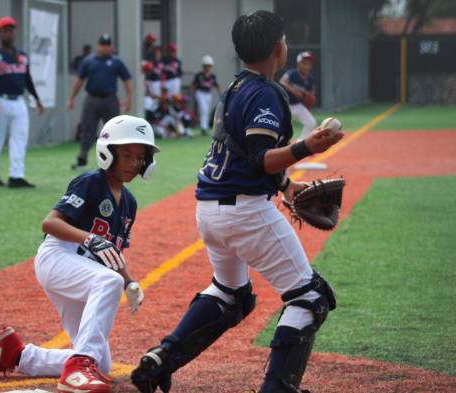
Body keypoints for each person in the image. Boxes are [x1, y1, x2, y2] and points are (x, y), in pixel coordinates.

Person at [131, 10, 343, 393]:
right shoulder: (266, 91)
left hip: (210, 210)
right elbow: (260, 157)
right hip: (244, 211)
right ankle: (277, 388)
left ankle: (161, 359)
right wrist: (307, 146)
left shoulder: (234, 87)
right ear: (279, 48)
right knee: (310, 296)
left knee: (231, 295)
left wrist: (286, 186)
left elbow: (245, 155)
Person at [0, 115, 161, 393]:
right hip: (58, 257)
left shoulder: (129, 202)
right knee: (107, 283)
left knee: (101, 364)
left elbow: (112, 253)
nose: (133, 163)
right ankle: (78, 369)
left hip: (84, 272)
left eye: (140, 157)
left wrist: (129, 280)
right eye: (126, 155)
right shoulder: (90, 182)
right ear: (107, 153)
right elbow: (50, 223)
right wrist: (90, 239)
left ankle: (16, 354)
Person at [0, 16, 44, 188]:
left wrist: (36, 99)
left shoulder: (21, 55)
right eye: (5, 30)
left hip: (19, 102)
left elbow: (27, 78)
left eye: (11, 30)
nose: (9, 33)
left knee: (19, 139)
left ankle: (16, 176)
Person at [67, 34, 132, 171]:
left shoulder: (116, 62)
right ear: (98, 45)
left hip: (110, 99)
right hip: (92, 99)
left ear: (111, 47)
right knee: (87, 129)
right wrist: (71, 98)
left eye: (108, 45)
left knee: (114, 131)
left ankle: (116, 160)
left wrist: (128, 98)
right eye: (103, 45)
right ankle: (82, 158)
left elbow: (126, 79)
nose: (105, 48)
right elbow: (79, 80)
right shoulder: (89, 61)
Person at [280, 51, 317, 140]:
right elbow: (282, 81)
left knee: (311, 123)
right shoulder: (292, 73)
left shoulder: (310, 78)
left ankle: (300, 143)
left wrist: (310, 98)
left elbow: (311, 94)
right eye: (304, 63)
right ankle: (278, 145)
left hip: (297, 105)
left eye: (309, 64)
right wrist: (295, 91)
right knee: (280, 127)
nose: (307, 66)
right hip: (285, 105)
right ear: (299, 63)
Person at [191, 55, 221, 135]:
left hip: (208, 94)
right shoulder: (199, 75)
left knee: (206, 110)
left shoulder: (212, 76)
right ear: (203, 66)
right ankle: (203, 127)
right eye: (206, 66)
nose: (207, 67)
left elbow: (217, 86)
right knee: (203, 109)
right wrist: (192, 94)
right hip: (200, 93)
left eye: (209, 66)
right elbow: (193, 85)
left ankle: (204, 127)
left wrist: (221, 95)